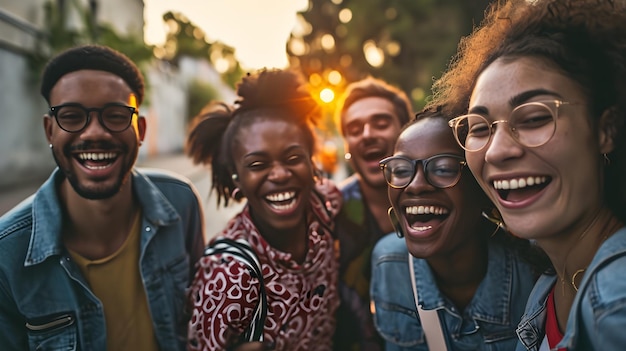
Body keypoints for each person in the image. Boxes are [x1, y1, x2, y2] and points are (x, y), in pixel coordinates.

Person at [433, 0, 626, 349]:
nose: (496, 150)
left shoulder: (617, 298)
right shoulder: (546, 289)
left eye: (534, 118)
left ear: (606, 130)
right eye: (479, 127)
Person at [0, 44, 206, 350]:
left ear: (141, 129)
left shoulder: (180, 202)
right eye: (71, 116)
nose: (94, 133)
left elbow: (203, 319)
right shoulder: (7, 252)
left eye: (115, 115)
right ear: (49, 131)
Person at [185, 68, 341, 351]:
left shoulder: (326, 206)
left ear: (311, 162)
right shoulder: (229, 276)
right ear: (237, 181)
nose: (280, 175)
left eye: (293, 158)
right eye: (258, 164)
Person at [370, 106, 537, 350]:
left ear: (481, 186)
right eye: (401, 170)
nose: (416, 185)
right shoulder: (388, 262)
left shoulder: (535, 272)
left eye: (443, 168)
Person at [333, 77, 413, 351]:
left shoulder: (444, 199)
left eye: (380, 123)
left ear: (406, 131)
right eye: (354, 129)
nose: (367, 134)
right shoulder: (328, 212)